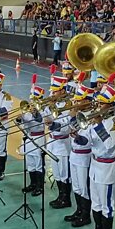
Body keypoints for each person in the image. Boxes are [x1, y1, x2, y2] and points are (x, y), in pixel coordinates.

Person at [81, 82, 115, 229]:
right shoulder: (96, 120)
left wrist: (98, 123)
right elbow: (90, 140)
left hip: (107, 167)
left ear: (111, 105)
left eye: (101, 103)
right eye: (98, 102)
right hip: (94, 165)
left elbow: (108, 144)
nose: (97, 105)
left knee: (107, 204)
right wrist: (78, 137)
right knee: (96, 202)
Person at [64, 84, 95, 227]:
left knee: (84, 187)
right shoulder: (78, 115)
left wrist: (76, 136)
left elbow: (87, 141)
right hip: (74, 154)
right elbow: (72, 130)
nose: (75, 103)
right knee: (76, 186)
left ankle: (85, 215)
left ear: (87, 101)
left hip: (84, 156)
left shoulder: (91, 117)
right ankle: (79, 210)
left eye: (79, 101)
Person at [44, 75, 72, 209]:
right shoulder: (52, 103)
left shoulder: (68, 105)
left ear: (62, 90)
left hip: (63, 144)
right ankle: (60, 196)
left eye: (55, 91)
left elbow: (67, 125)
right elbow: (46, 117)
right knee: (56, 173)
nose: (53, 93)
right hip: (52, 142)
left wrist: (53, 124)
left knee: (64, 173)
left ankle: (66, 199)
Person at [17, 85, 45, 197]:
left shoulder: (44, 110)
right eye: (32, 99)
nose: (32, 102)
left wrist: (35, 113)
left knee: (38, 164)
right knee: (30, 163)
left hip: (38, 139)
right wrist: (19, 118)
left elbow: (40, 120)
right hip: (28, 138)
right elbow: (22, 123)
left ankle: (40, 186)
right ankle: (33, 183)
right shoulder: (27, 110)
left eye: (35, 99)